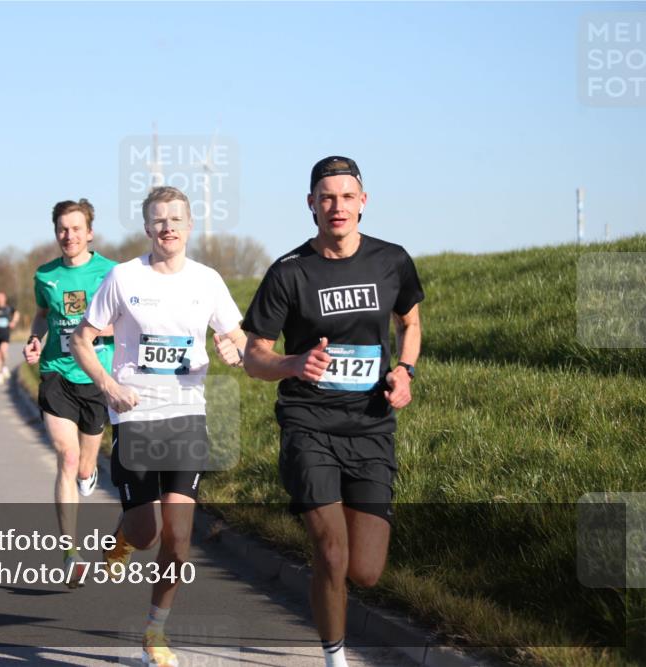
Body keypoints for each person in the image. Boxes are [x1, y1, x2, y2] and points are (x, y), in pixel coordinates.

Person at [240, 156, 423, 667]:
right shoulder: (289, 272)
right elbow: (255, 356)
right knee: (331, 553)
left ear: (363, 202)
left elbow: (410, 323)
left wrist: (404, 372)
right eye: (326, 197)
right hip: (308, 425)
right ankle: (334, 658)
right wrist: (294, 362)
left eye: (346, 196)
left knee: (364, 570)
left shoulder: (392, 261)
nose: (336, 206)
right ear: (310, 204)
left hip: (370, 428)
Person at [71, 185, 247, 667]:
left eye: (176, 219)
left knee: (178, 535)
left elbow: (237, 335)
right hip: (135, 417)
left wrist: (236, 347)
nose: (167, 226)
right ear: (147, 228)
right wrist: (107, 385)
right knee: (147, 532)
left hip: (187, 417)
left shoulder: (208, 281)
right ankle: (124, 535)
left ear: (189, 227)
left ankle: (155, 631)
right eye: (158, 219)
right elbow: (81, 340)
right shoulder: (123, 278)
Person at [23, 198, 117, 588]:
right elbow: (43, 314)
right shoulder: (45, 276)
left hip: (96, 377)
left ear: (89, 232)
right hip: (57, 375)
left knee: (83, 466)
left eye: (76, 228)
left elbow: (127, 320)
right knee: (67, 455)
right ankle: (70, 554)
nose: (69, 235)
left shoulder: (111, 272)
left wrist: (94, 331)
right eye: (62, 228)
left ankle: (89, 472)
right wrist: (34, 338)